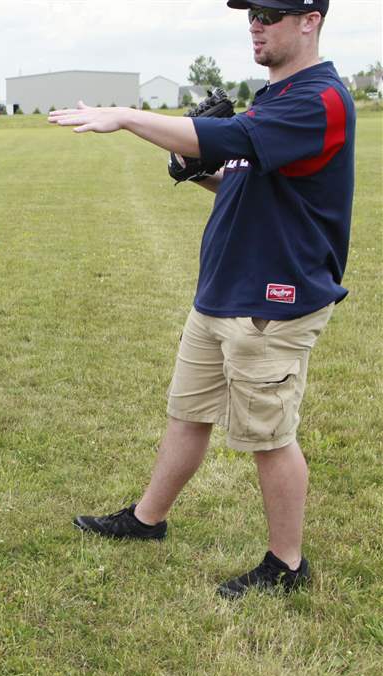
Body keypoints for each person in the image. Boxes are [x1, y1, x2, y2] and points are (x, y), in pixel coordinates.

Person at [49, 0, 355, 598]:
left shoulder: (322, 98)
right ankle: (147, 519)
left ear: (310, 20)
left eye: (270, 12)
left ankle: (287, 564)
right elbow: (242, 175)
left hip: (273, 297)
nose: (255, 24)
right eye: (251, 14)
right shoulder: (272, 98)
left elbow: (233, 137)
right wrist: (199, 172)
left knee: (269, 435)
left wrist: (127, 116)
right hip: (224, 288)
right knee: (187, 412)